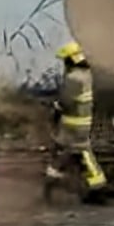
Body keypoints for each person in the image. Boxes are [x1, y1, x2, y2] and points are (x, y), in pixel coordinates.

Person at [47, 41, 107, 194]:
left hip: (73, 123)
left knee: (78, 150)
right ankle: (56, 176)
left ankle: (96, 185)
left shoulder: (73, 78)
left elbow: (66, 101)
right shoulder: (86, 74)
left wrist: (55, 108)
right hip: (83, 120)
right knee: (72, 150)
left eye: (65, 60)